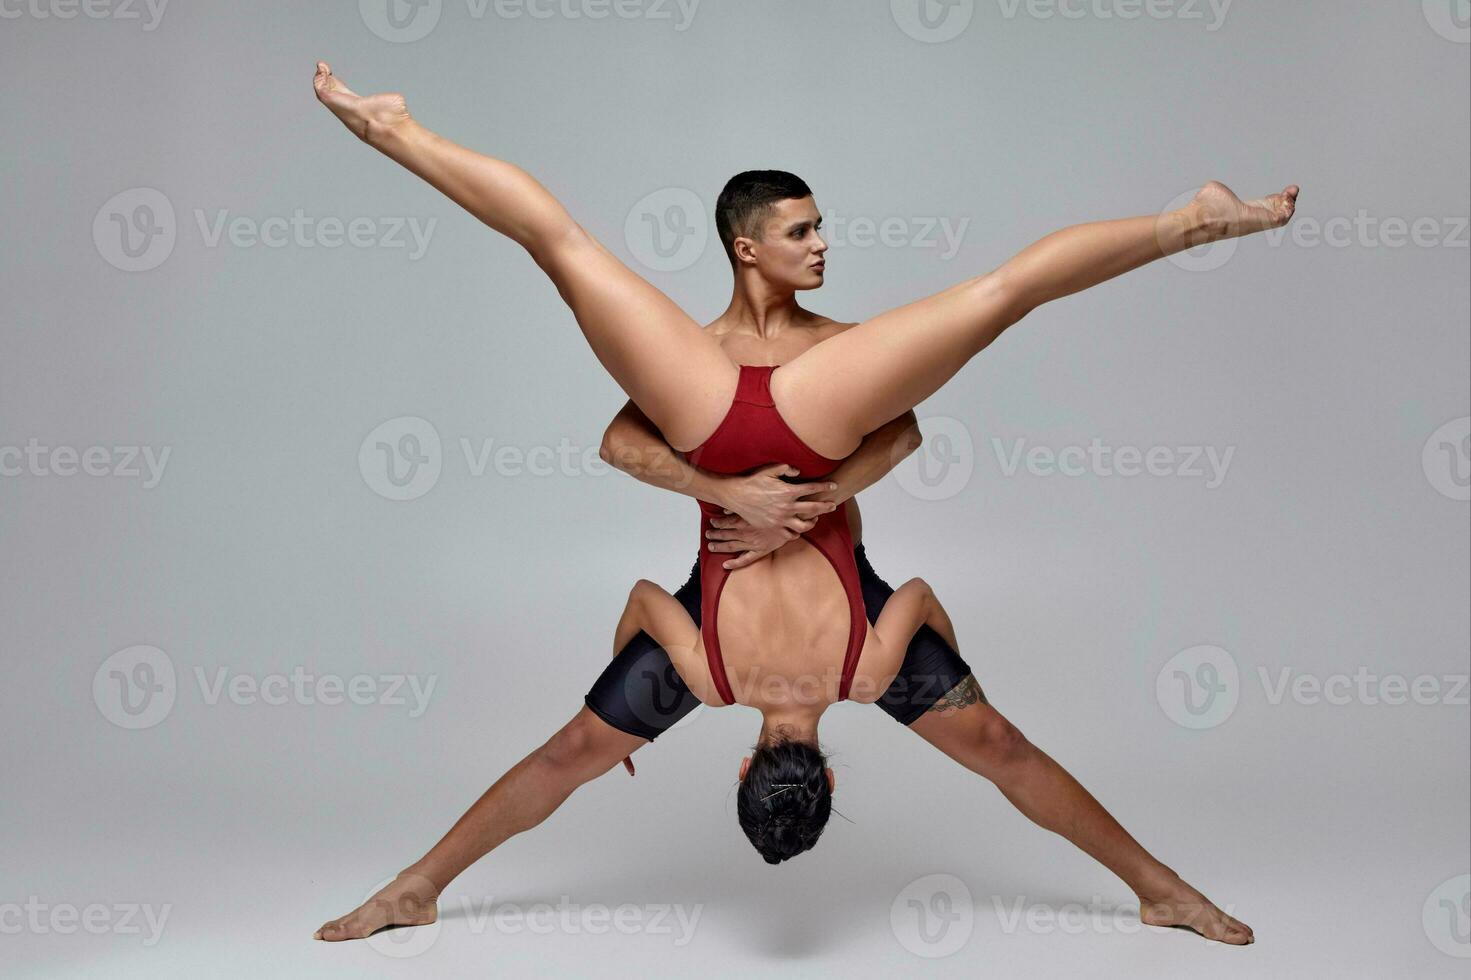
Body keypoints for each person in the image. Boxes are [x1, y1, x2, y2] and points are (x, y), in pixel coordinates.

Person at [312, 62, 1295, 944]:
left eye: (820, 226)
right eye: (802, 231)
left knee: (574, 250)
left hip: (797, 421)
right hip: (719, 425)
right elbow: (620, 446)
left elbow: (898, 435)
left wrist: (828, 489)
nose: (822, 244)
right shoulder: (702, 391)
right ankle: (1160, 886)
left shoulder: (842, 357)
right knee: (984, 306)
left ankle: (1191, 220)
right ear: (747, 248)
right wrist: (720, 486)